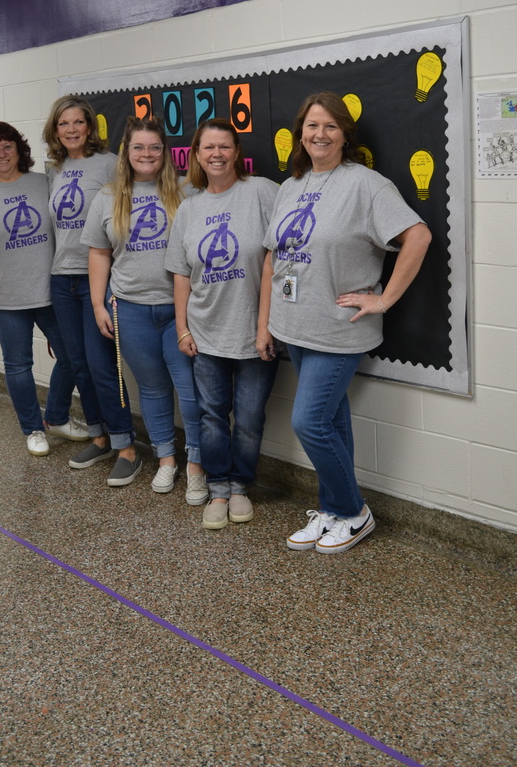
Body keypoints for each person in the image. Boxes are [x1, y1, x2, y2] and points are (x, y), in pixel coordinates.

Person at [257, 91, 431, 554]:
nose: (320, 134)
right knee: (332, 420)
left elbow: (418, 236)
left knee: (308, 423)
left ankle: (354, 511)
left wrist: (384, 300)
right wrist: (265, 322)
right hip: (294, 324)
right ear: (300, 133)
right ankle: (332, 510)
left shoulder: (366, 184)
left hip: (339, 328)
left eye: (330, 126)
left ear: (344, 134)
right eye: (312, 126)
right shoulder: (290, 185)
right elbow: (274, 256)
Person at [82, 116, 207, 504]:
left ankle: (197, 465)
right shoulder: (108, 197)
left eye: (154, 147)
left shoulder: (187, 192)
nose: (147, 154)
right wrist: (98, 304)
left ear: (165, 152)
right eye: (139, 147)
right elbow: (99, 254)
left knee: (189, 392)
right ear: (127, 152)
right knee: (152, 390)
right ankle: (166, 459)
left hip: (179, 311)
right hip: (131, 309)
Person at [165, 118, 279, 529]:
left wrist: (266, 326)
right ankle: (217, 487)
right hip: (206, 332)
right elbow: (180, 274)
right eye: (208, 147)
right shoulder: (190, 208)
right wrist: (182, 328)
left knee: (249, 417)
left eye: (225, 147)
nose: (216, 154)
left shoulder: (262, 192)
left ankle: (239, 487)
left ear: (237, 152)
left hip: (254, 330)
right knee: (212, 415)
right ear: (196, 155)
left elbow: (279, 254)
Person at [0, 119, 83, 456]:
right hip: (5, 298)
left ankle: (55, 417)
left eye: (8, 146)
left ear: (19, 150)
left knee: (72, 356)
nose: (2, 153)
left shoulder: (43, 183)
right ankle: (32, 428)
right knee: (18, 365)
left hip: (53, 292)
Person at [44, 95, 139, 486]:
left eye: (77, 122)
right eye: (63, 123)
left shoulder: (108, 165)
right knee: (78, 363)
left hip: (95, 278)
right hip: (61, 277)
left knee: (102, 366)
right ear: (55, 130)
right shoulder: (55, 169)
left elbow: (128, 211)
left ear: (90, 127)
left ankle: (127, 448)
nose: (70, 129)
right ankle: (99, 435)